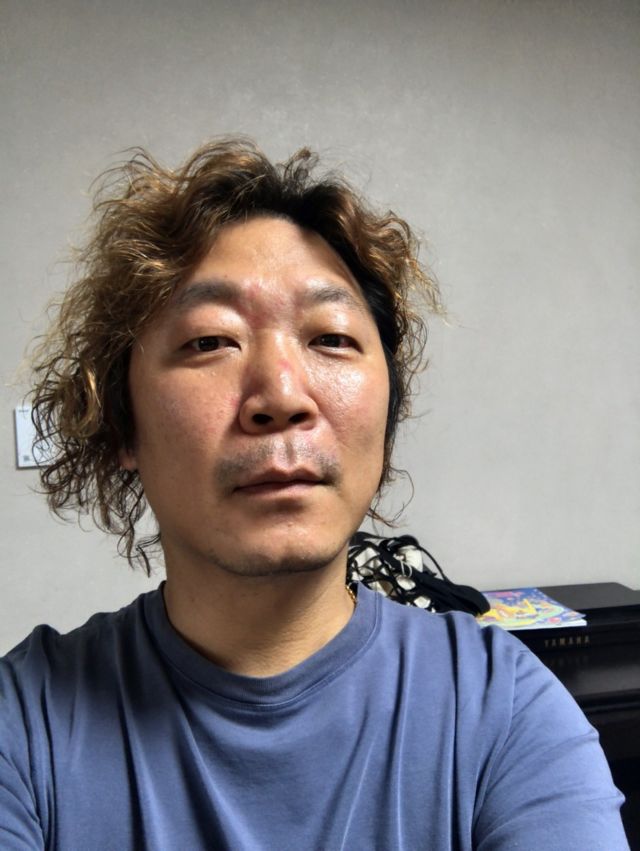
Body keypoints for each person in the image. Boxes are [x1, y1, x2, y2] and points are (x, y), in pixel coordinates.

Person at [0, 138, 628, 850]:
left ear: (386, 416)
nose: (281, 395)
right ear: (122, 422)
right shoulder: (26, 725)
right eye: (210, 341)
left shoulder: (504, 711)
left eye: (330, 337)